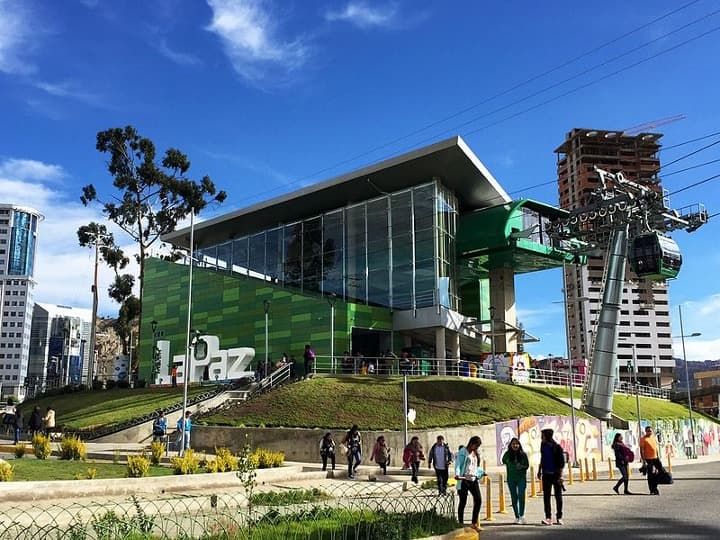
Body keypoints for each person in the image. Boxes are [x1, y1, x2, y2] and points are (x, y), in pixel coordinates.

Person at [455, 436, 484, 531]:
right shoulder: (463, 452)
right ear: (471, 443)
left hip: (473, 479)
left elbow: (476, 466)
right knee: (463, 501)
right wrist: (457, 474)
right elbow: (458, 464)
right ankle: (460, 522)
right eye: (476, 445)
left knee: (478, 499)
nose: (476, 448)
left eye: (478, 446)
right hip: (464, 479)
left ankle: (474, 523)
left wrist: (481, 472)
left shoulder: (475, 453)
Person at [538, 428, 565, 525]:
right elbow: (542, 458)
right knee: (546, 497)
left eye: (543, 436)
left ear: (547, 436)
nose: (541, 438)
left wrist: (561, 476)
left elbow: (562, 463)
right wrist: (539, 470)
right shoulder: (543, 445)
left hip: (556, 475)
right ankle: (548, 518)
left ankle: (559, 517)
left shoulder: (557, 447)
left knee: (558, 497)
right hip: (546, 475)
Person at [502, 437, 530, 524]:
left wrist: (521, 466)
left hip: (521, 478)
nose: (515, 445)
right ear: (510, 445)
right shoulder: (507, 454)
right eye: (513, 444)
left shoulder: (523, 454)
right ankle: (517, 516)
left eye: (517, 444)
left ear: (519, 445)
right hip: (511, 479)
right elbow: (504, 461)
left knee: (521, 495)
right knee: (514, 497)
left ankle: (522, 515)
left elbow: (527, 465)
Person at [640, 425, 662, 495]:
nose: (650, 432)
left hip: (656, 458)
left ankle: (655, 486)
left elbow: (656, 448)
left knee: (661, 472)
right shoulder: (643, 439)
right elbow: (642, 450)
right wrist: (644, 461)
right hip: (648, 459)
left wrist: (658, 456)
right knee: (651, 475)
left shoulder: (653, 438)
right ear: (646, 431)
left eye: (651, 431)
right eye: (648, 431)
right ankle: (652, 489)